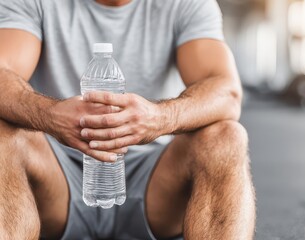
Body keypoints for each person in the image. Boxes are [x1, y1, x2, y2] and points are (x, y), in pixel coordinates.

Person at [0, 0, 256, 239]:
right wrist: (50, 116)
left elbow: (227, 91)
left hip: (155, 186)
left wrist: (160, 118)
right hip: (54, 183)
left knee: (227, 137)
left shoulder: (186, 3)